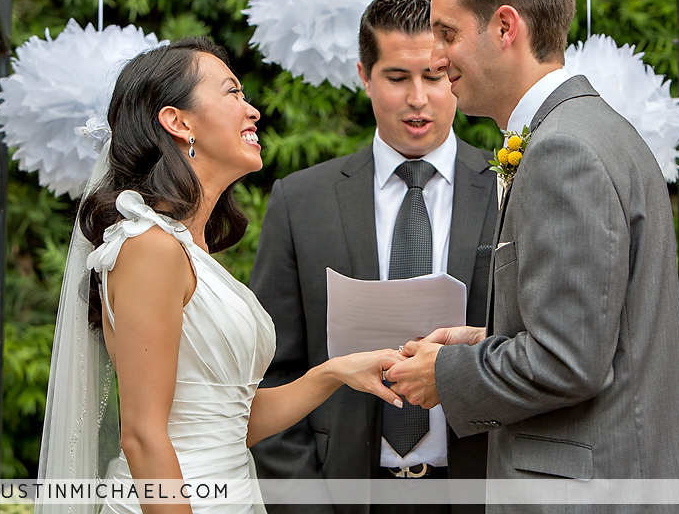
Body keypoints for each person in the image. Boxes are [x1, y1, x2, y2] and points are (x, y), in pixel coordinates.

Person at [386, 0, 679, 513]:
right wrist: (484, 341)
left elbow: (567, 363)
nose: (436, 58)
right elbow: (600, 336)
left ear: (506, 27)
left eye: (447, 33)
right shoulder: (586, 130)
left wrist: (450, 374)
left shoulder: (565, 151)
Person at [36, 37, 405, 514]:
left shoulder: (190, 248)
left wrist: (333, 373)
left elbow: (229, 422)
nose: (252, 111)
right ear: (177, 122)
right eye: (232, 93)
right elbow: (143, 437)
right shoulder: (149, 247)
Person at [249, 0, 498, 514]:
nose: (418, 99)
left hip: (480, 488)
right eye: (396, 77)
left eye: (433, 76)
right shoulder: (301, 200)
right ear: (364, 76)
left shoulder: (509, 188)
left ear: (453, 71)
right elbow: (270, 369)